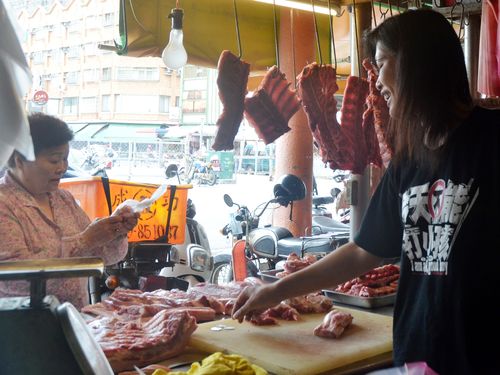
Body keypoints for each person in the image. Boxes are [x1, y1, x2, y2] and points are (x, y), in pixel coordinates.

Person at [232, 9, 500, 375]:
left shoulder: (491, 138)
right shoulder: (411, 159)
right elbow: (363, 250)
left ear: (418, 64)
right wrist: (276, 289)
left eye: (383, 63)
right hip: (421, 356)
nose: (377, 80)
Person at [0, 113, 140, 310]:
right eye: (54, 160)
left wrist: (115, 231)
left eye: (65, 159)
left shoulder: (63, 199)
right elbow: (16, 280)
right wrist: (85, 240)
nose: (63, 168)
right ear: (19, 160)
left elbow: (103, 256)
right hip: (23, 329)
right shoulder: (4, 205)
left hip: (73, 319)